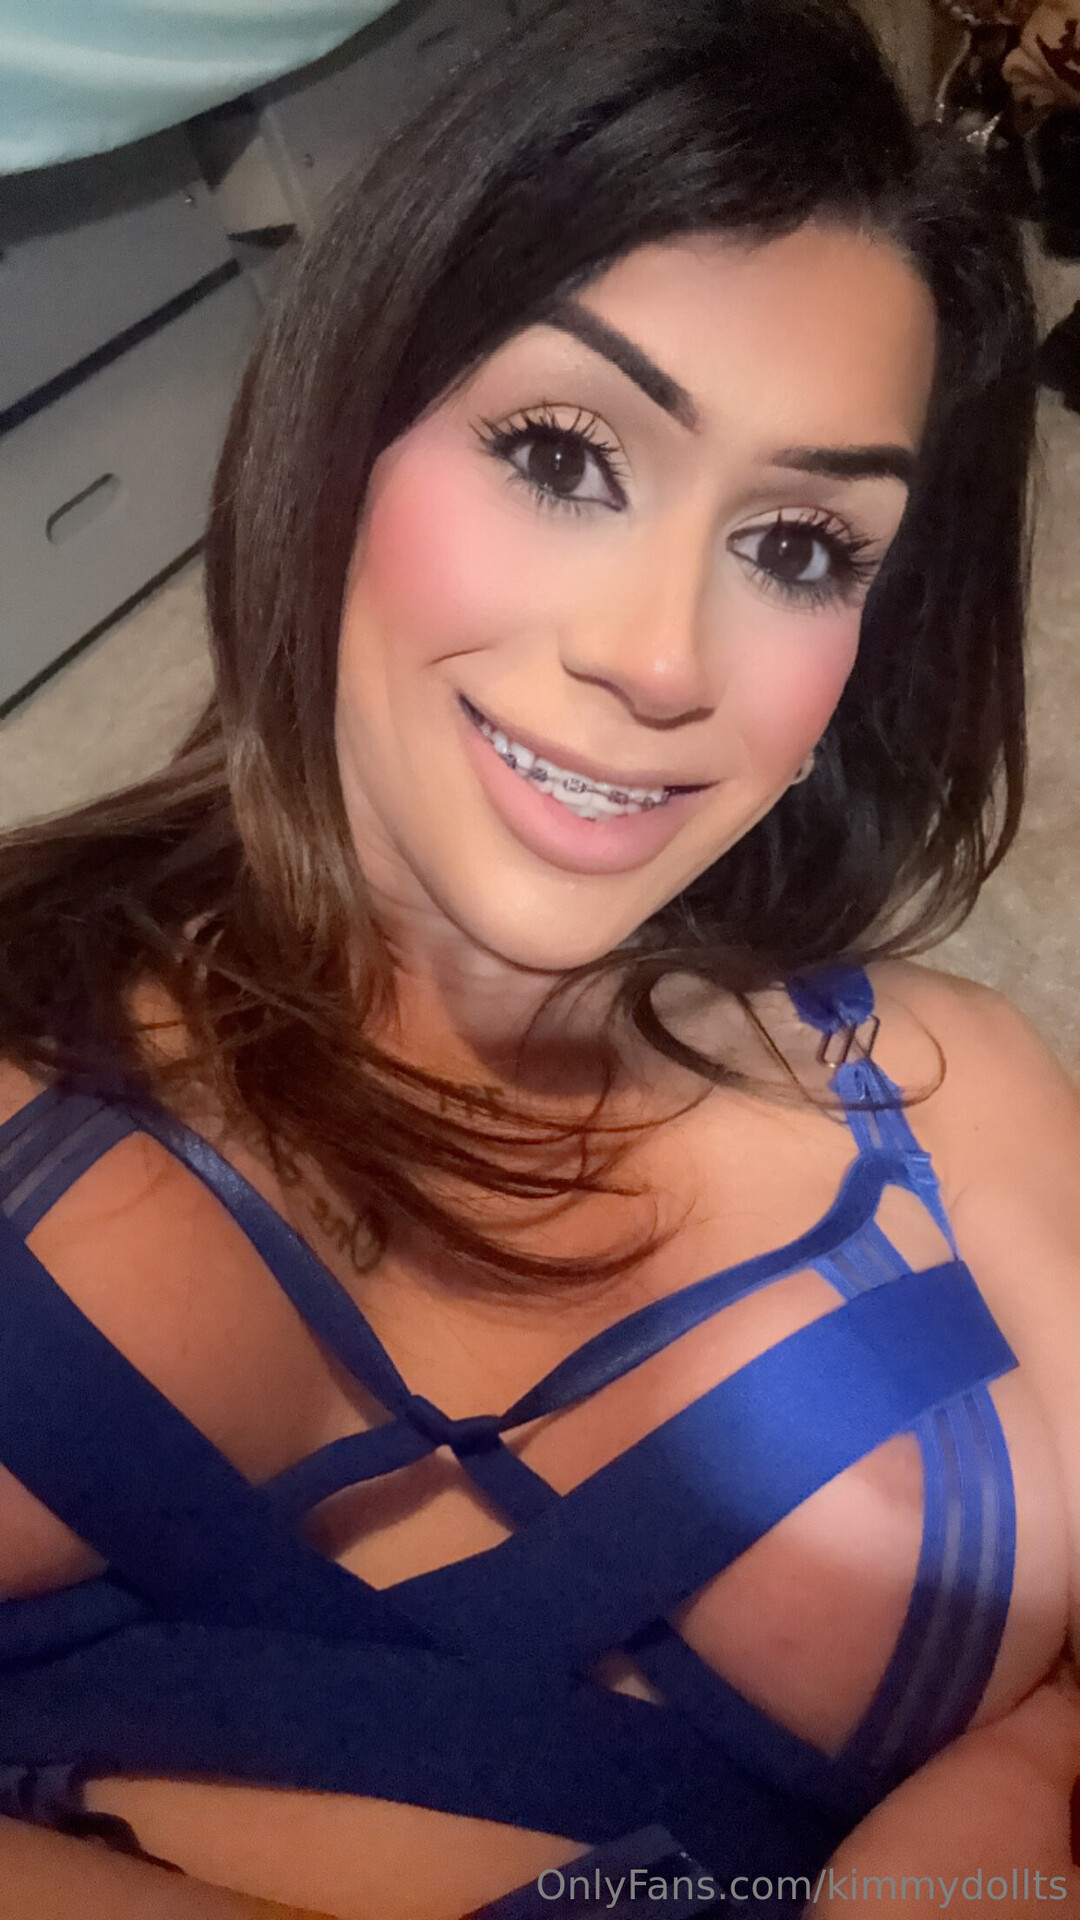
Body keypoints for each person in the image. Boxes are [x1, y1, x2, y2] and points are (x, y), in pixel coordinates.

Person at [0, 2, 1078, 1915]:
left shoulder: (955, 1092)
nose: (660, 660)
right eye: (567, 453)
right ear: (344, 434)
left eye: (801, 547)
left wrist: (1011, 1800)